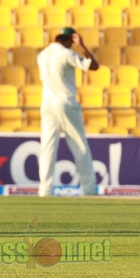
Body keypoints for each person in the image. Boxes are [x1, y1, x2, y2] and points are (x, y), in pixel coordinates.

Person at [37, 27, 99, 197]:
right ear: (70, 39)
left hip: (47, 103)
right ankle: (88, 190)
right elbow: (93, 66)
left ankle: (45, 191)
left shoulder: (42, 55)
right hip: (65, 102)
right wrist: (82, 46)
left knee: (47, 148)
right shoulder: (65, 53)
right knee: (80, 146)